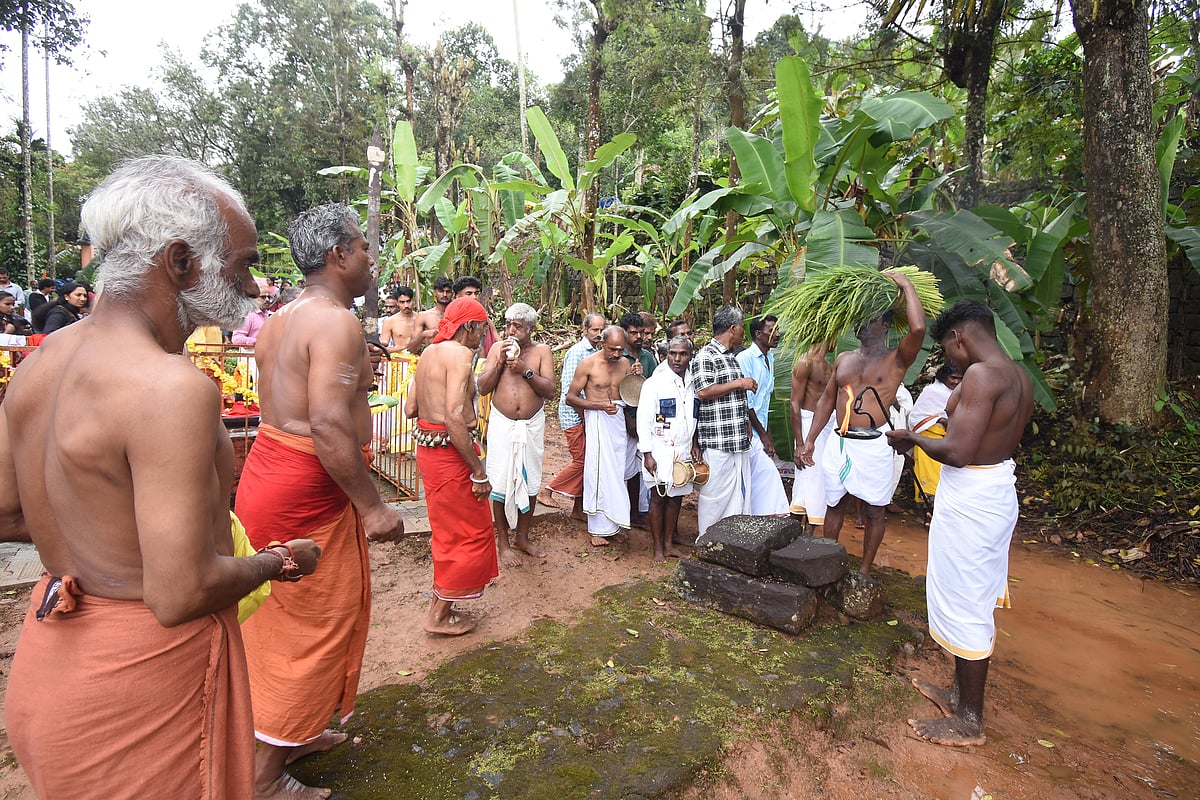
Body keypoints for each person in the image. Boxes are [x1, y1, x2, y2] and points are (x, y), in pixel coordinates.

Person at [0, 155, 322, 798]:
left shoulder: (40, 364)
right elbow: (180, 593)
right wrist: (282, 560)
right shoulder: (170, 388)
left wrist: (99, 550)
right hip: (142, 682)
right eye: (242, 264)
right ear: (180, 262)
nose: (256, 287)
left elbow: (6, 512)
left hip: (55, 657)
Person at [235, 202, 406, 800]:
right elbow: (328, 425)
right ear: (339, 256)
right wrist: (372, 506)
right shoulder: (335, 323)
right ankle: (262, 777)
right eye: (363, 247)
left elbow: (303, 397)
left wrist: (359, 373)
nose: (371, 258)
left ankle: (293, 730)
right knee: (319, 622)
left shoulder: (285, 317)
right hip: (309, 488)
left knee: (281, 620)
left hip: (271, 473)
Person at [886, 299, 1033, 747]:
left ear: (959, 337)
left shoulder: (981, 375)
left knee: (967, 600)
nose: (949, 359)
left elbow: (957, 451)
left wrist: (910, 437)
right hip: (990, 489)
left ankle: (970, 719)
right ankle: (957, 692)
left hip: (973, 495)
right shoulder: (1017, 375)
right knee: (966, 590)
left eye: (947, 349)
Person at [798, 271, 925, 575]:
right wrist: (812, 439)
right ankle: (826, 562)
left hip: (874, 445)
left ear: (885, 325)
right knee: (834, 504)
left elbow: (918, 328)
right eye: (860, 319)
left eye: (870, 319)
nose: (862, 326)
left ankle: (865, 570)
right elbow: (828, 400)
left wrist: (905, 284)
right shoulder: (844, 359)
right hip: (840, 442)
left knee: (874, 510)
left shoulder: (896, 359)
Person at [408, 296, 498, 635]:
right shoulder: (461, 355)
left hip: (429, 452)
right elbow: (453, 418)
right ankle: (439, 617)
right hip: (452, 454)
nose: (483, 335)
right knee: (468, 533)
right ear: (470, 327)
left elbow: (409, 409)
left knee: (447, 532)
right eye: (483, 327)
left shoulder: (429, 352)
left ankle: (442, 605)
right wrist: (478, 471)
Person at [477, 302, 556, 565]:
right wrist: (499, 364)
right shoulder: (497, 349)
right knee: (499, 480)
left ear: (531, 329)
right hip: (502, 424)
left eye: (518, 327)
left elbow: (550, 391)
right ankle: (503, 541)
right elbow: (483, 388)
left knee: (531, 479)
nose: (511, 330)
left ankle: (522, 536)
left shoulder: (542, 351)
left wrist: (525, 371)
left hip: (532, 425)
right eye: (508, 324)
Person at [692, 307, 755, 538]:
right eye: (742, 327)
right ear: (732, 328)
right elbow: (704, 391)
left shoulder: (730, 356)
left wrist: (746, 421)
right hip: (718, 440)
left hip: (736, 438)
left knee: (736, 494)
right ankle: (706, 540)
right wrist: (739, 383)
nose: (743, 333)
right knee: (714, 495)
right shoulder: (706, 356)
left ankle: (729, 541)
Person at [567, 326, 633, 546]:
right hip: (597, 419)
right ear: (601, 343)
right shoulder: (589, 364)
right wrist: (598, 406)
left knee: (616, 471)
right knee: (597, 472)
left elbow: (631, 394)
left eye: (620, 350)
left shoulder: (625, 364)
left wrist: (636, 376)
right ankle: (596, 529)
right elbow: (571, 398)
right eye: (612, 349)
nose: (616, 354)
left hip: (618, 421)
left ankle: (613, 524)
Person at [637, 336, 698, 561]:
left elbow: (693, 416)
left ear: (690, 356)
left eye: (683, 354)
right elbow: (643, 420)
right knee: (658, 496)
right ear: (666, 355)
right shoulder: (655, 383)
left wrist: (695, 444)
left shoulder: (693, 382)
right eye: (673, 353)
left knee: (676, 497)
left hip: (683, 449)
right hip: (659, 448)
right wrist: (647, 453)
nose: (677, 358)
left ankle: (670, 543)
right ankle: (658, 548)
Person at [542, 313, 606, 520]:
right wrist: (584, 418)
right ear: (585, 330)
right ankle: (548, 490)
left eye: (601, 329)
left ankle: (579, 508)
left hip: (590, 415)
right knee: (582, 460)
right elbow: (570, 393)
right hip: (575, 416)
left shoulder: (599, 352)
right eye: (595, 330)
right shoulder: (577, 352)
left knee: (590, 461)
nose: (599, 334)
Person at [735, 314, 791, 516]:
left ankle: (754, 518)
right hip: (748, 430)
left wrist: (767, 434)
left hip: (760, 429)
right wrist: (763, 435)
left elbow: (764, 401)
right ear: (758, 334)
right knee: (765, 476)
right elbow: (746, 401)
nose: (777, 335)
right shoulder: (745, 359)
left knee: (756, 479)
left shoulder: (770, 358)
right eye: (772, 330)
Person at [789, 340, 835, 532]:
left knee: (818, 480)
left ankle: (807, 531)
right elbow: (794, 404)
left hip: (825, 426)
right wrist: (800, 443)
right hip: (807, 425)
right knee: (808, 476)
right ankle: (797, 531)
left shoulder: (829, 367)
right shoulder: (804, 363)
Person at [908, 362, 964, 512]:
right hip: (928, 438)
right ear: (944, 377)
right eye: (953, 377)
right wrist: (939, 420)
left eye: (960, 378)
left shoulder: (961, 393)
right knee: (928, 474)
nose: (956, 382)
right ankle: (927, 509)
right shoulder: (932, 391)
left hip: (948, 441)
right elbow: (916, 416)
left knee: (943, 475)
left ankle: (939, 509)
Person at [406, 276, 454, 353]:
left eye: (448, 291)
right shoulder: (424, 316)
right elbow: (411, 349)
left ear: (452, 293)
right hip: (432, 358)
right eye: (441, 291)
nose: (444, 295)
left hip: (453, 358)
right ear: (435, 292)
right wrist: (423, 335)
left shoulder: (458, 315)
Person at [381, 285, 418, 354]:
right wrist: (404, 347)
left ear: (413, 301)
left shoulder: (421, 319)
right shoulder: (390, 321)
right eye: (402, 302)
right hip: (399, 361)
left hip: (420, 360)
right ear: (397, 303)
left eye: (408, 301)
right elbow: (383, 348)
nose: (406, 305)